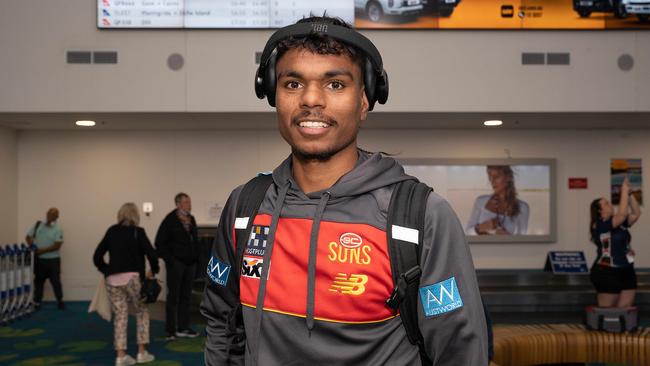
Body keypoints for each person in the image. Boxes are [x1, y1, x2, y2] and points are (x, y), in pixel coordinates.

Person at [201, 16, 487, 365]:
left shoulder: (420, 217)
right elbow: (222, 324)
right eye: (292, 83)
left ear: (365, 101)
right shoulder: (245, 207)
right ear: (272, 94)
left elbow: (460, 350)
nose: (310, 99)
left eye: (335, 84)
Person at [93, 203, 159, 366]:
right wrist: (153, 271)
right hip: (133, 279)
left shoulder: (112, 231)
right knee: (142, 312)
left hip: (112, 280)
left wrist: (107, 270)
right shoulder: (138, 232)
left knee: (120, 316)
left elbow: (97, 256)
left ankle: (121, 356)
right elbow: (152, 254)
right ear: (136, 216)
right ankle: (142, 353)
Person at [589, 176, 641, 308]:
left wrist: (629, 194)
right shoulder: (600, 224)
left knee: (625, 308)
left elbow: (636, 213)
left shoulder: (619, 221)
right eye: (606, 203)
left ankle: (622, 329)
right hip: (607, 271)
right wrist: (622, 190)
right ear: (600, 211)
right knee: (608, 310)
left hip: (626, 269)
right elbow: (622, 214)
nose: (610, 204)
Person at [155, 192, 200, 340]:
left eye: (190, 201)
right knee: (173, 297)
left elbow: (195, 241)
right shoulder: (170, 220)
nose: (190, 204)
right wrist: (171, 260)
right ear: (178, 204)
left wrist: (196, 258)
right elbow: (159, 243)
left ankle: (184, 328)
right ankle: (170, 331)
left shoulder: (191, 219)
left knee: (186, 297)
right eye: (186, 202)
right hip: (176, 265)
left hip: (190, 264)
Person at [466, 165, 529, 235]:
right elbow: (468, 232)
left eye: (496, 177)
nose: (492, 181)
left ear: (508, 177)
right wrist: (481, 227)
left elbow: (521, 242)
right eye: (490, 177)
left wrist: (506, 238)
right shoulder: (480, 201)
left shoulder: (523, 207)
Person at [25, 207, 65, 309]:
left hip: (53, 260)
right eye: (48, 214)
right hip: (39, 260)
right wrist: (32, 246)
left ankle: (60, 301)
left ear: (57, 217)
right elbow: (28, 237)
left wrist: (42, 251)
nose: (49, 217)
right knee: (38, 281)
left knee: (56, 282)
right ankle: (37, 301)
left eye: (53, 215)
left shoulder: (58, 229)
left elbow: (57, 245)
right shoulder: (38, 225)